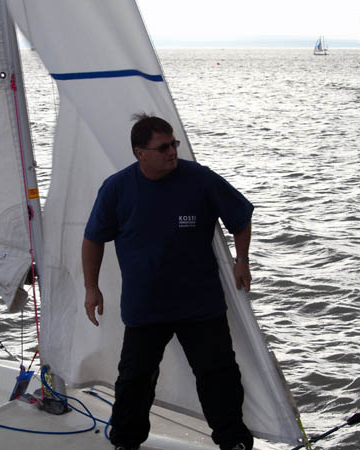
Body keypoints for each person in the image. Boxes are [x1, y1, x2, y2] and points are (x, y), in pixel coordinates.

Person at [82, 114, 254, 450]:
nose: (172, 151)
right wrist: (92, 287)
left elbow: (241, 217)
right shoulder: (117, 188)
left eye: (173, 144)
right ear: (140, 153)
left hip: (200, 304)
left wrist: (242, 260)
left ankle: (234, 442)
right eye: (163, 147)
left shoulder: (200, 179)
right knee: (135, 380)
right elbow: (93, 239)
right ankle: (126, 442)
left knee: (219, 376)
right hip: (146, 306)